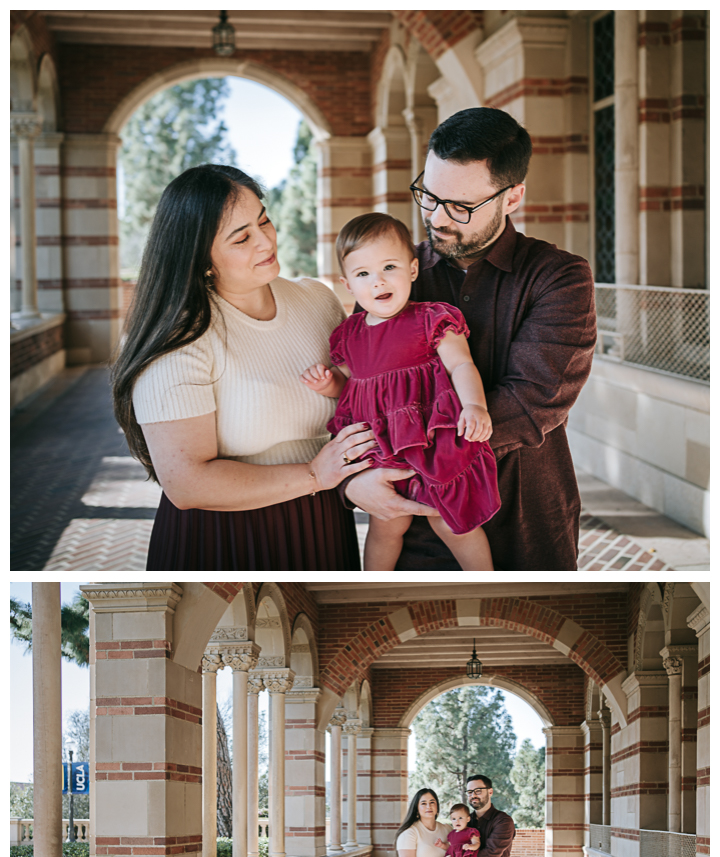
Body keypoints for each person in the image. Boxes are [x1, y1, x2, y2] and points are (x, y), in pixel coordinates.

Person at [111, 163, 425, 571]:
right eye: (242, 238)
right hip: (224, 537)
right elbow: (187, 483)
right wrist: (315, 475)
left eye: (264, 221)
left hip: (323, 524)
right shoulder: (179, 340)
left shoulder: (318, 300)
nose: (265, 242)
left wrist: (353, 480)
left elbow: (364, 403)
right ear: (200, 256)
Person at [343, 107, 597, 570]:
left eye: (461, 207)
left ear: (513, 196)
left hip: (524, 522)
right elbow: (362, 389)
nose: (438, 217)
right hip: (412, 524)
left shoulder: (560, 277)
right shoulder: (389, 275)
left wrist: (404, 448)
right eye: (429, 195)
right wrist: (351, 480)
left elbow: (530, 402)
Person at [301, 213, 500, 571]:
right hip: (383, 444)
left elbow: (461, 366)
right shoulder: (350, 334)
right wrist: (326, 383)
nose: (378, 281)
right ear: (348, 285)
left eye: (388, 267)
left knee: (450, 520)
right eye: (363, 274)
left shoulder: (431, 319)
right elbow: (348, 388)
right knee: (386, 523)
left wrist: (474, 406)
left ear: (412, 269)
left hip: (431, 441)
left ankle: (485, 579)